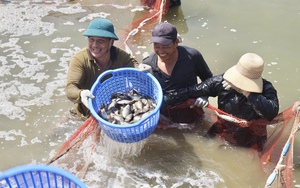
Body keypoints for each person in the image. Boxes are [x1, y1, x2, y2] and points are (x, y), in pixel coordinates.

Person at [169, 53, 279, 150]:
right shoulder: (222, 81)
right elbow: (194, 90)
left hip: (250, 135)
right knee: (202, 144)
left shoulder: (267, 88)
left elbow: (271, 112)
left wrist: (247, 93)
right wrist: (204, 96)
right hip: (223, 127)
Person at [66, 18, 139, 120]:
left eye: (101, 41)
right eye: (91, 40)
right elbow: (70, 88)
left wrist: (143, 70)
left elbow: (136, 68)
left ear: (111, 42)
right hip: (83, 114)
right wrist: (81, 93)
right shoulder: (79, 60)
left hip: (113, 110)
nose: (95, 45)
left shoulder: (121, 56)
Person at [141, 21, 213, 123]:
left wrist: (204, 95)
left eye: (166, 46)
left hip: (192, 112)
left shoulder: (192, 56)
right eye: (157, 46)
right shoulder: (147, 64)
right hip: (164, 118)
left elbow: (208, 79)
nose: (161, 51)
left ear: (176, 42)